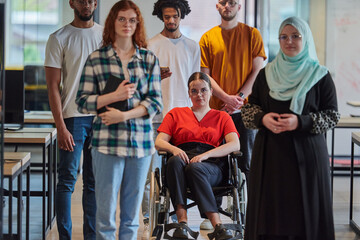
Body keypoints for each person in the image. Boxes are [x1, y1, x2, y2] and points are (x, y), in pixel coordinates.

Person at [241, 16, 340, 240]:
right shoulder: (266, 74)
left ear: (306, 39)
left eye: (296, 36)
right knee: (271, 216)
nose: (289, 41)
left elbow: (332, 115)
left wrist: (300, 122)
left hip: (307, 157)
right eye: (284, 37)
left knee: (305, 217)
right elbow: (249, 109)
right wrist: (262, 118)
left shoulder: (320, 75)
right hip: (271, 156)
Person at [76, 1, 162, 239]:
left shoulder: (149, 59)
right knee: (105, 219)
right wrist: (113, 96)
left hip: (141, 145)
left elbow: (155, 103)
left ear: (138, 24)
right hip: (106, 144)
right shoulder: (96, 59)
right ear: (113, 22)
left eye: (132, 20)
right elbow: (81, 101)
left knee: (131, 218)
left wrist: (123, 114)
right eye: (122, 19)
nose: (127, 24)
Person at [155, 72, 240, 240]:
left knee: (195, 168)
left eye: (203, 90)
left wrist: (205, 155)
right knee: (173, 162)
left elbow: (234, 144)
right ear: (188, 93)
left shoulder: (222, 116)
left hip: (212, 166)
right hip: (183, 159)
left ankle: (217, 225)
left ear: (210, 92)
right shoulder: (176, 114)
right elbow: (159, 141)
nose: (199, 95)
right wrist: (174, 149)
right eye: (194, 91)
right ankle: (183, 224)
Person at [141, 0, 201, 236]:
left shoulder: (192, 47)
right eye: (166, 16)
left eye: (174, 16)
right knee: (150, 174)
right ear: (161, 16)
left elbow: (196, 85)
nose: (171, 20)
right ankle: (149, 220)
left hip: (183, 120)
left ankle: (177, 221)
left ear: (181, 15)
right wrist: (155, 77)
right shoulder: (150, 45)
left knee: (177, 171)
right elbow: (141, 85)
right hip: (156, 118)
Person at [44, 0, 102, 239]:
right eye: (81, 0)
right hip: (73, 119)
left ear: (96, 3)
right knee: (67, 180)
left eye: (90, 0)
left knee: (93, 183)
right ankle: (65, 237)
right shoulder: (59, 37)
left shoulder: (105, 36)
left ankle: (91, 236)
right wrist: (60, 126)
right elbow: (52, 87)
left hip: (100, 119)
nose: (86, 4)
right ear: (71, 3)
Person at [199, 0, 267, 182]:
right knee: (215, 164)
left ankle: (251, 210)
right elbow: (205, 76)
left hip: (246, 111)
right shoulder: (207, 38)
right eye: (223, 2)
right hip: (216, 112)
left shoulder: (252, 34)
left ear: (239, 7)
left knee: (248, 164)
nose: (227, 6)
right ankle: (214, 209)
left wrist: (239, 98)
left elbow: (257, 71)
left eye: (232, 2)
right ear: (217, 6)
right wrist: (226, 98)